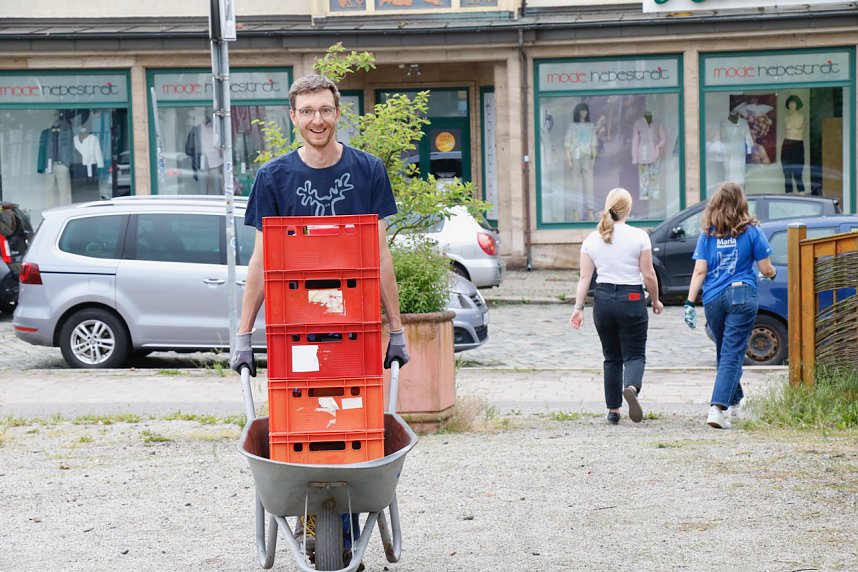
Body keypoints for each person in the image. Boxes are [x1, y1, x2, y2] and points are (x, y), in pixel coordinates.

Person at [229, 73, 410, 569]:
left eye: (325, 110)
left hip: (353, 330)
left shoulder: (368, 170)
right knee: (304, 422)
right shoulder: (274, 178)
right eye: (306, 111)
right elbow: (263, 261)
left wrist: (396, 329)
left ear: (338, 112)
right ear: (293, 117)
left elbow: (380, 255)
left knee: (353, 422)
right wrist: (243, 335)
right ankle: (320, 519)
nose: (317, 120)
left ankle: (338, 522)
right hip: (295, 335)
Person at [683, 182, 776, 430]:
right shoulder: (752, 231)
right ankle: (717, 408)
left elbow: (700, 270)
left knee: (726, 352)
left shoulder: (708, 234)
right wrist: (772, 273)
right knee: (732, 354)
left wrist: (690, 302)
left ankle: (736, 404)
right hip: (741, 295)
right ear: (741, 203)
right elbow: (766, 268)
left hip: (713, 298)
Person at [570, 187, 664, 424]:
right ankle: (631, 387)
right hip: (631, 298)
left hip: (602, 300)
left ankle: (613, 410)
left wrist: (578, 307)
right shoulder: (639, 236)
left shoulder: (592, 239)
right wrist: (655, 299)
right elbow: (649, 274)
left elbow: (584, 278)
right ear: (629, 209)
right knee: (634, 354)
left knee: (611, 357)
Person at [564, 102, 598, 219]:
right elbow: (567, 144)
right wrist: (568, 158)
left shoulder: (591, 126)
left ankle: (590, 211)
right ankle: (575, 211)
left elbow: (593, 143)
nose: (584, 113)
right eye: (581, 110)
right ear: (577, 112)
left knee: (589, 185)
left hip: (587, 157)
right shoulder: (572, 126)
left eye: (585, 110)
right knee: (575, 185)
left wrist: (594, 158)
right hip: (576, 157)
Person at [631, 110, 665, 201]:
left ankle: (655, 197)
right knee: (643, 178)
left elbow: (663, 138)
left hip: (654, 155)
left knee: (654, 177)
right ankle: (645, 198)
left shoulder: (657, 123)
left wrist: (658, 147)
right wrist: (634, 157)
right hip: (642, 155)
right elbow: (635, 141)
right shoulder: (638, 124)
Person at [780, 95, 806, 194]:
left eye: (794, 103)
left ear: (797, 104)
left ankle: (802, 194)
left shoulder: (802, 117)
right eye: (790, 103)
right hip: (787, 144)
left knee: (798, 173)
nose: (791, 105)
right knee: (787, 173)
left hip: (797, 144)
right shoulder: (786, 117)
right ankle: (788, 195)